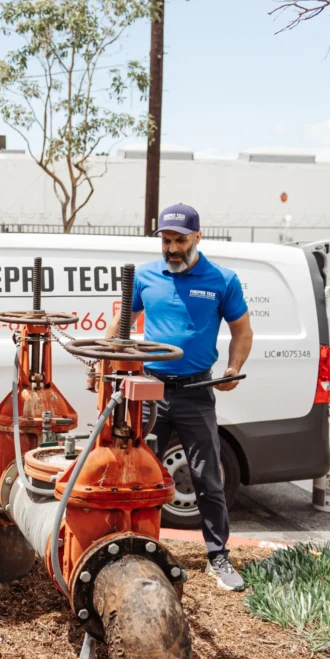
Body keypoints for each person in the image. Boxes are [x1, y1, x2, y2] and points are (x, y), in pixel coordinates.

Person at [103, 202, 253, 591]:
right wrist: (101, 365)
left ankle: (219, 557)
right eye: (166, 240)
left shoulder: (223, 280)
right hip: (148, 390)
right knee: (136, 475)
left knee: (207, 477)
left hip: (196, 392)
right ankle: (139, 553)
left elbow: (242, 331)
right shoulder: (146, 277)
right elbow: (118, 326)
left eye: (179, 240)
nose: (171, 248)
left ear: (198, 237)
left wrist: (233, 369)